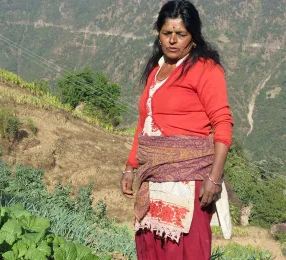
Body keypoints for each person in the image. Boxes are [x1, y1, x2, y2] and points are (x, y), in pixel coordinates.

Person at [120, 0, 234, 259]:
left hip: (189, 181)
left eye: (180, 34)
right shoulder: (157, 71)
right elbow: (144, 123)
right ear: (158, 33)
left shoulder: (206, 69)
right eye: (166, 33)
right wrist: (130, 167)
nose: (172, 40)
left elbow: (223, 124)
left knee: (184, 250)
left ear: (193, 36)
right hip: (152, 179)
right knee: (151, 249)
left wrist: (214, 178)